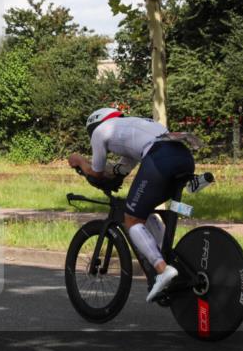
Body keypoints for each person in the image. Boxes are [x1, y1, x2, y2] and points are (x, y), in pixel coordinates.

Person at [68, 107, 196, 303]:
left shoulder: (101, 131)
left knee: (131, 219)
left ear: (94, 124)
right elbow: (120, 170)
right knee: (142, 210)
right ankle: (171, 260)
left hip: (160, 158)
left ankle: (162, 270)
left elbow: (97, 172)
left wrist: (79, 160)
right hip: (183, 157)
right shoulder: (131, 128)